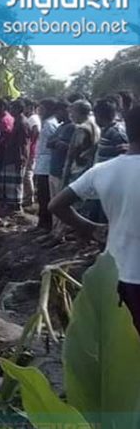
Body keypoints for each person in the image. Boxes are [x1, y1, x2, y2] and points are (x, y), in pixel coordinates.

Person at [49, 105, 140, 333]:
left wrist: (89, 227)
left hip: (115, 274)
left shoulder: (102, 170)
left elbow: (56, 205)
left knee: (122, 346)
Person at [38, 100, 75, 245]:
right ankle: (54, 232)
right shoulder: (60, 127)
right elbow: (50, 143)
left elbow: (64, 146)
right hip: (53, 169)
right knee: (52, 202)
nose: (56, 115)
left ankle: (60, 235)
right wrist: (57, 142)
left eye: (59, 111)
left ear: (66, 111)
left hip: (62, 170)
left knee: (60, 205)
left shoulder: (72, 128)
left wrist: (58, 143)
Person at [33, 98, 59, 232]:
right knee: (41, 196)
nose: (39, 110)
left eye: (42, 108)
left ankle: (46, 224)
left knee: (45, 196)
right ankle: (42, 222)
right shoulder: (46, 123)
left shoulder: (50, 124)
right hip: (42, 163)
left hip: (47, 164)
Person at [0, 99, 30, 212]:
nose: (10, 110)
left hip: (17, 157)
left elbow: (23, 143)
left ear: (18, 109)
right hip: (11, 156)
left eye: (12, 108)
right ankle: (11, 206)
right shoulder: (17, 122)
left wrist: (22, 158)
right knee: (10, 182)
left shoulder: (22, 123)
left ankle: (16, 207)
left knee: (15, 183)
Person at [62, 99, 100, 186]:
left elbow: (74, 153)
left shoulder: (81, 129)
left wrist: (66, 175)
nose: (71, 115)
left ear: (78, 112)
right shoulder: (96, 125)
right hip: (91, 169)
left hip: (79, 171)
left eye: (72, 112)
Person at [0, 98, 15, 190]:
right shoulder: (10, 118)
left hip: (2, 152)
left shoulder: (4, 120)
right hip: (7, 151)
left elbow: (3, 137)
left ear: (2, 107)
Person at [23, 98, 41, 207]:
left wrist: (31, 141)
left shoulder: (33, 118)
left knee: (27, 174)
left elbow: (36, 131)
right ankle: (28, 196)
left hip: (31, 150)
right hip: (30, 148)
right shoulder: (31, 118)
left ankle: (30, 198)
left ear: (30, 107)